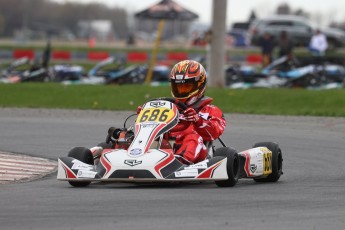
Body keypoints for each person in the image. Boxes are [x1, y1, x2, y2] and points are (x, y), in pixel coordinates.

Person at [138, 60, 226, 164]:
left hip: (196, 152)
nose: (182, 91)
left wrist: (198, 120)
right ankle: (131, 157)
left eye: (187, 86)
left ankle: (179, 162)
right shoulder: (168, 107)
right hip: (165, 145)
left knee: (193, 137)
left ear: (200, 84)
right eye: (179, 87)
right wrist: (146, 115)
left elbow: (214, 133)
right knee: (127, 135)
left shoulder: (210, 110)